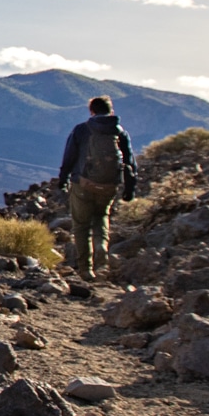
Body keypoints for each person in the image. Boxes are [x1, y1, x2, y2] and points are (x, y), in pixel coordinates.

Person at [57, 95, 136, 286]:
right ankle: (101, 252)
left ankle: (86, 270)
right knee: (101, 217)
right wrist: (130, 187)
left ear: (91, 111)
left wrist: (63, 180)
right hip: (109, 186)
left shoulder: (82, 130)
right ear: (111, 111)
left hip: (83, 185)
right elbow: (130, 162)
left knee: (81, 225)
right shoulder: (119, 133)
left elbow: (69, 157)